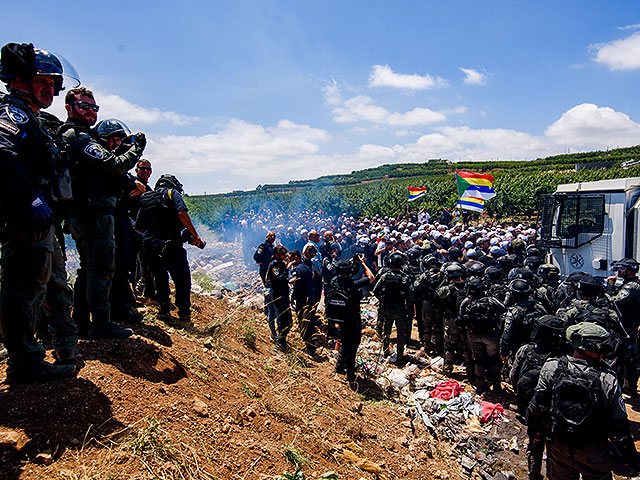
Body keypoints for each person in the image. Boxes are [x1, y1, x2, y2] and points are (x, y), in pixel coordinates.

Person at [0, 42, 80, 383]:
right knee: (23, 287)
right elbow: (2, 156)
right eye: (43, 81)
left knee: (35, 284)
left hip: (37, 219)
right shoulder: (13, 113)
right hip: (23, 219)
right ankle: (25, 362)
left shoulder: (30, 115)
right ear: (19, 80)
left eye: (54, 84)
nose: (51, 89)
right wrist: (31, 200)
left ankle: (28, 355)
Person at [61, 87, 146, 339]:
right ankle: (100, 324)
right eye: (84, 106)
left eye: (94, 107)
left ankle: (82, 322)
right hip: (92, 213)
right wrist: (136, 148)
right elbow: (116, 165)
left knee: (89, 269)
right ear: (69, 108)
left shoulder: (80, 137)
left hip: (87, 212)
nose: (90, 111)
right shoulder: (78, 137)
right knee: (100, 268)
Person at [528, 322, 640, 480]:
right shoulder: (607, 378)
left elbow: (536, 409)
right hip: (593, 451)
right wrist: (631, 459)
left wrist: (536, 443)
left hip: (559, 445)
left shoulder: (552, 367)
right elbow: (619, 427)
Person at [135, 174, 205, 324]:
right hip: (170, 245)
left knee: (160, 277)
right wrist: (195, 235)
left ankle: (164, 309)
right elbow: (181, 213)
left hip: (150, 246)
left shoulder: (145, 197)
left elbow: (139, 226)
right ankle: (184, 314)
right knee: (182, 280)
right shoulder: (172, 193)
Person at [510, 315, 566, 480]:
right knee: (553, 444)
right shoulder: (562, 359)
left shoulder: (525, 349)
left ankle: (533, 473)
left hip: (532, 406)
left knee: (535, 440)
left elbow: (514, 375)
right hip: (553, 408)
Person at [327, 255, 375, 383]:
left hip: (339, 318)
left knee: (344, 341)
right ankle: (350, 373)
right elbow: (371, 277)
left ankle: (339, 367)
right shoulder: (353, 284)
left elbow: (342, 269)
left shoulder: (334, 281)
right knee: (352, 346)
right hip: (352, 319)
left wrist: (350, 261)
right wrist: (363, 263)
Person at [458, 277, 506, 394]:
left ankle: (480, 387)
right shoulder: (491, 300)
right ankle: (496, 385)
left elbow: (461, 318)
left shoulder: (466, 302)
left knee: (479, 360)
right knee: (493, 359)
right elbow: (504, 310)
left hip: (473, 334)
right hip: (491, 335)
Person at [373, 252, 414, 364]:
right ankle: (400, 355)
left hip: (387, 308)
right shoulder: (405, 278)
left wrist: (382, 300)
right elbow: (411, 294)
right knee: (401, 333)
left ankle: (386, 351)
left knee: (387, 331)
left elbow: (376, 290)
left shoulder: (385, 276)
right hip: (400, 308)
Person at [608, 257, 640, 397]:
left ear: (630, 271)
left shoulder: (631, 286)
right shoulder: (628, 284)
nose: (618, 271)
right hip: (627, 325)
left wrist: (609, 288)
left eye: (621, 268)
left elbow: (615, 302)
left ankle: (628, 387)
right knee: (625, 356)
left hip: (628, 326)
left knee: (627, 357)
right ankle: (626, 386)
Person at [264, 245, 292, 351]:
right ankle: (278, 339)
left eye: (285, 253)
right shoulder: (275, 264)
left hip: (280, 292)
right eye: (283, 254)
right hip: (276, 293)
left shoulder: (280, 264)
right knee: (279, 316)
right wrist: (286, 270)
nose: (285, 255)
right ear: (277, 255)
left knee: (277, 314)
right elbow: (277, 279)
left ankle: (278, 337)